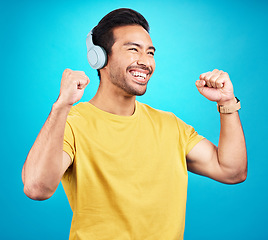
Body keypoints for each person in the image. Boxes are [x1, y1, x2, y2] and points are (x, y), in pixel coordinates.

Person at [22, 8, 247, 240]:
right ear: (99, 57)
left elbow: (232, 171)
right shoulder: (72, 124)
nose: (145, 61)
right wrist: (61, 106)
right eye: (133, 49)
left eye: (150, 52)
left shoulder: (171, 126)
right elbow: (37, 188)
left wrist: (227, 103)